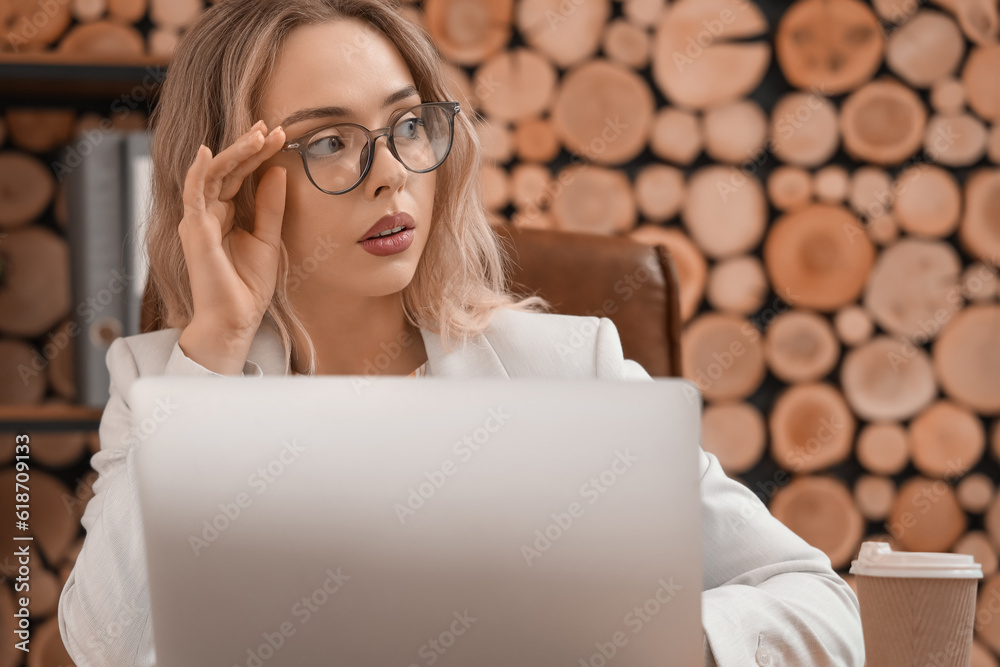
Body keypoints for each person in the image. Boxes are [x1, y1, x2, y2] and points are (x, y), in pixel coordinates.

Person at [56, 0, 865, 664]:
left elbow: (822, 605)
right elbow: (105, 645)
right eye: (330, 142)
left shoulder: (567, 370)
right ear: (231, 187)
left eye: (408, 125)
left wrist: (668, 645)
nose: (391, 173)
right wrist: (217, 350)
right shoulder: (165, 382)